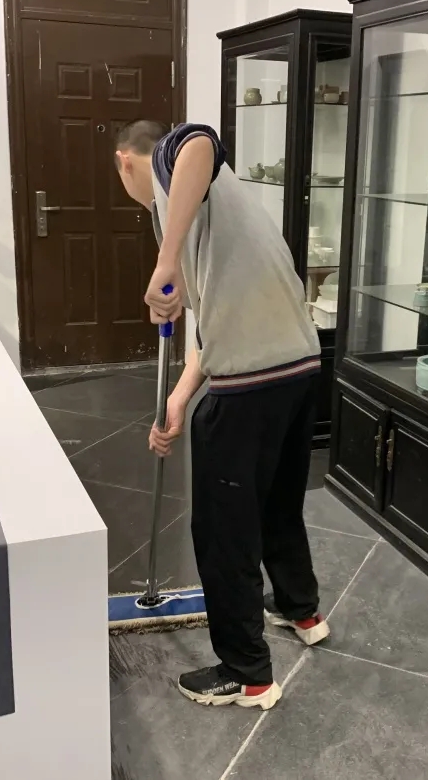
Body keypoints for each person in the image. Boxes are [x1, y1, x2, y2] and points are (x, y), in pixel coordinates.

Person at [114, 120, 328, 710]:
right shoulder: (213, 208)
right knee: (277, 504)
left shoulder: (170, 162)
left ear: (124, 162)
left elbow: (198, 141)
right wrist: (180, 398)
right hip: (299, 368)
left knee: (223, 531)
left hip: (251, 385)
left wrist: (166, 262)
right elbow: (210, 325)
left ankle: (246, 672)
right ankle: (302, 610)